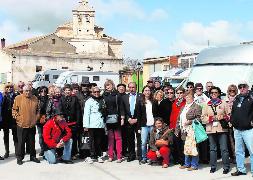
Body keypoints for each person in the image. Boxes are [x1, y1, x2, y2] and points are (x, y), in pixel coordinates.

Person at [202, 86, 230, 174]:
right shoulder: (206, 104)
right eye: (212, 93)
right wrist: (211, 118)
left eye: (215, 92)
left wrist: (223, 116)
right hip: (211, 129)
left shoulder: (224, 103)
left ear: (219, 94)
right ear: (210, 94)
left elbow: (229, 115)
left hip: (222, 128)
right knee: (212, 149)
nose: (214, 94)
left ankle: (226, 166)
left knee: (224, 149)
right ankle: (213, 166)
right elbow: (202, 118)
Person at [12, 85, 40, 165]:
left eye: (29, 91)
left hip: (32, 124)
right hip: (21, 125)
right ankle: (20, 158)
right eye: (26, 91)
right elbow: (14, 110)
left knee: (32, 142)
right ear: (23, 91)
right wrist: (19, 119)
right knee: (21, 142)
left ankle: (33, 156)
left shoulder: (35, 98)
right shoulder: (18, 98)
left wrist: (36, 118)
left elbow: (38, 110)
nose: (28, 92)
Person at [231, 81, 253, 176]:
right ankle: (241, 170)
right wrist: (232, 121)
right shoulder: (237, 98)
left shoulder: (251, 98)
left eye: (244, 86)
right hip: (237, 130)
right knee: (239, 151)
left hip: (248, 129)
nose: (242, 88)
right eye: (240, 87)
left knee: (252, 151)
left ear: (247, 87)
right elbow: (233, 111)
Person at [176, 90, 202, 171]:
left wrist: (190, 121)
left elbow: (199, 118)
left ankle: (194, 165)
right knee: (186, 147)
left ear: (193, 97)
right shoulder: (183, 107)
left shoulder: (197, 106)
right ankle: (187, 164)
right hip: (184, 130)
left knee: (193, 147)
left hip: (192, 130)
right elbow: (178, 119)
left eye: (189, 97)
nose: (187, 98)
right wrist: (177, 130)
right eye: (186, 97)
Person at [83, 86, 106, 163]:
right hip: (91, 124)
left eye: (98, 92)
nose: (96, 93)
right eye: (95, 92)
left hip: (100, 124)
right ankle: (92, 155)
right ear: (92, 93)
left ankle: (99, 155)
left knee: (99, 141)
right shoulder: (89, 101)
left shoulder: (102, 100)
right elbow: (86, 114)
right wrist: (86, 125)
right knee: (92, 141)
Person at [58, 84, 81, 160]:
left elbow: (78, 111)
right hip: (64, 123)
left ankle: (73, 153)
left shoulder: (75, 98)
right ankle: (62, 153)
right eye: (66, 90)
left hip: (73, 122)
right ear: (64, 91)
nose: (67, 91)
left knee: (74, 139)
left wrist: (78, 121)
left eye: (69, 90)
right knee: (64, 138)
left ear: (71, 91)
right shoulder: (61, 99)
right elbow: (60, 110)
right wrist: (61, 119)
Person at [120, 82, 142, 162]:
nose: (132, 89)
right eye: (130, 87)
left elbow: (143, 110)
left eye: (133, 87)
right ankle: (131, 155)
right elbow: (122, 110)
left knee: (139, 139)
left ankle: (140, 156)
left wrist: (137, 119)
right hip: (128, 121)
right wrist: (128, 119)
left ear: (136, 88)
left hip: (138, 121)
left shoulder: (141, 96)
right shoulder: (124, 97)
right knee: (130, 139)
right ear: (128, 88)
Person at [103, 80, 123, 163]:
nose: (108, 86)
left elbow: (121, 106)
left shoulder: (117, 95)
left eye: (109, 85)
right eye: (107, 85)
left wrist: (122, 118)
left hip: (117, 119)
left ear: (113, 85)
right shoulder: (103, 95)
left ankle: (119, 156)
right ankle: (111, 156)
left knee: (118, 138)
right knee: (110, 138)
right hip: (107, 119)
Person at [194, 83, 210, 164]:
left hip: (203, 121)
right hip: (195, 122)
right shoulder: (193, 97)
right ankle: (197, 157)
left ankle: (205, 158)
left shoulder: (206, 98)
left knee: (204, 140)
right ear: (195, 89)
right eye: (197, 88)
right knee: (196, 140)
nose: (199, 90)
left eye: (200, 88)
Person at [138, 86, 155, 164]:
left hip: (152, 125)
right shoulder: (140, 102)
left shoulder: (153, 101)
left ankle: (150, 157)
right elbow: (138, 115)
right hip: (144, 125)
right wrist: (138, 127)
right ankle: (144, 157)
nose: (147, 92)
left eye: (149, 90)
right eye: (146, 90)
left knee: (152, 142)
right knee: (144, 142)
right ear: (143, 92)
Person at [169, 87, 186, 165]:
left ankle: (183, 160)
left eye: (181, 93)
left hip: (182, 126)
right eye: (178, 93)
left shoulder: (185, 102)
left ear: (183, 93)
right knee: (175, 144)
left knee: (182, 144)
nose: (179, 95)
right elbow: (172, 115)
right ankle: (177, 159)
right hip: (174, 126)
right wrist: (172, 126)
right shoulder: (174, 102)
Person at [1, 84, 18, 158]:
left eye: (11, 87)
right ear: (5, 88)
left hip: (13, 119)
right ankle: (7, 152)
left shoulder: (16, 96)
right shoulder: (3, 96)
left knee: (15, 136)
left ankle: (17, 152)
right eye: (7, 87)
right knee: (6, 136)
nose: (9, 88)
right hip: (5, 119)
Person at [224, 84, 238, 164]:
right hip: (227, 123)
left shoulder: (238, 99)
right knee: (230, 141)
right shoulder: (224, 100)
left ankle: (237, 157)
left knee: (237, 141)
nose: (232, 92)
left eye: (233, 90)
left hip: (237, 123)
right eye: (230, 90)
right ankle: (232, 156)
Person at [37, 86, 49, 157]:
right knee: (41, 135)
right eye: (41, 91)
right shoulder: (37, 100)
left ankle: (47, 148)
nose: (43, 93)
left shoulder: (49, 99)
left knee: (47, 135)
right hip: (39, 120)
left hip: (47, 120)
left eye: (45, 91)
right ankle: (42, 149)